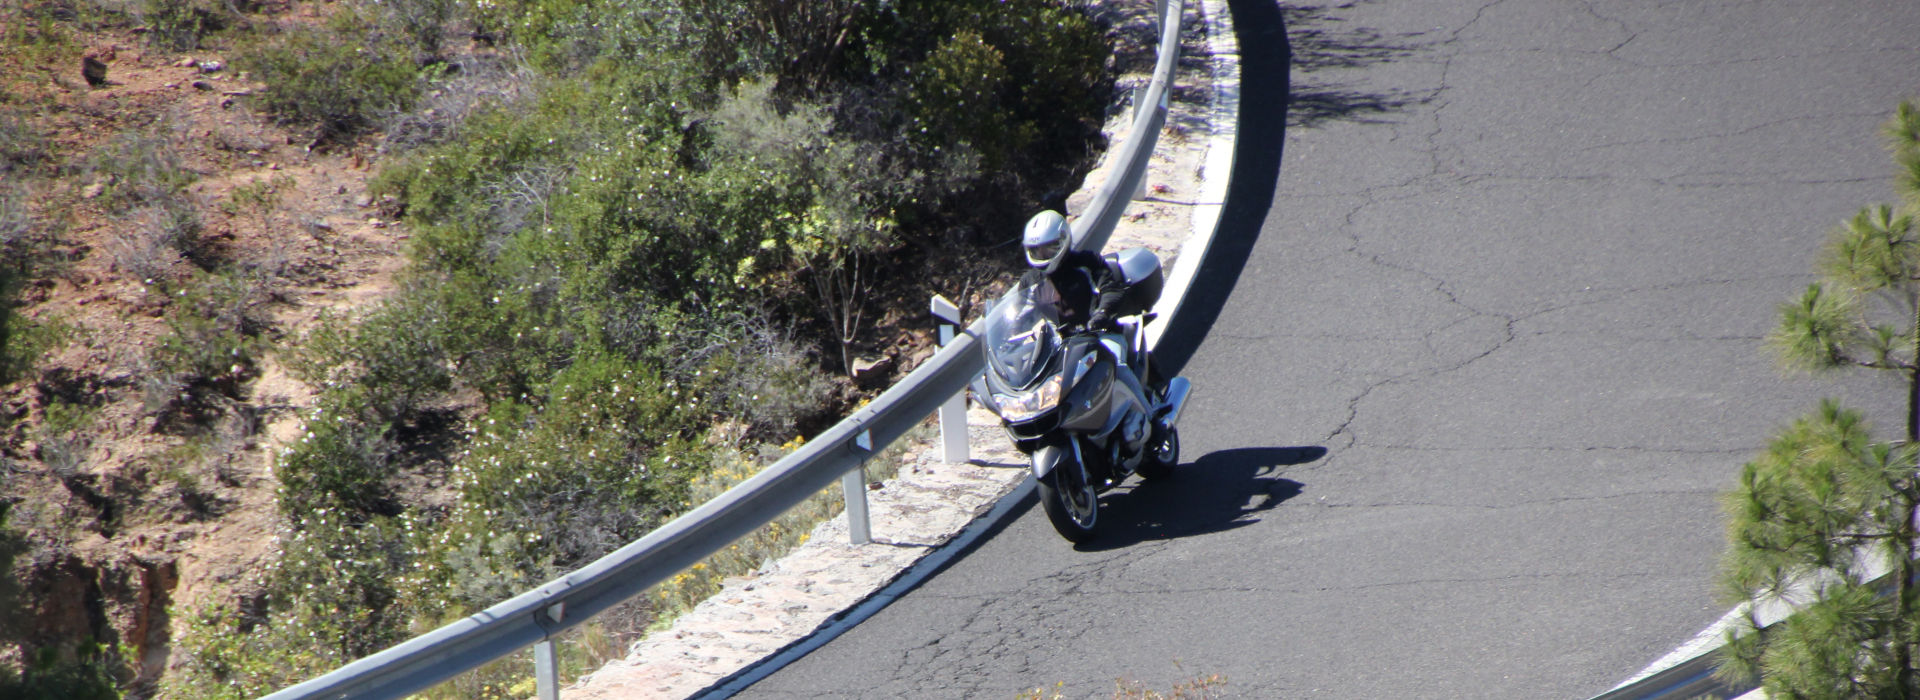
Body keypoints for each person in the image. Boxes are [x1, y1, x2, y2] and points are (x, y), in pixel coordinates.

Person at [1018, 210, 1125, 332]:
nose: (1043, 254)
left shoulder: (1087, 262)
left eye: (1049, 248)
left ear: (1064, 240)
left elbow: (1110, 289)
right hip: (1061, 346)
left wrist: (1102, 313)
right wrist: (1005, 338)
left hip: (1101, 334)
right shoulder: (1030, 281)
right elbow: (1020, 317)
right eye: (1036, 250)